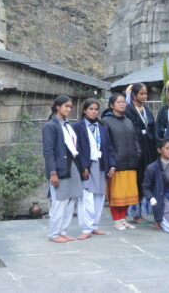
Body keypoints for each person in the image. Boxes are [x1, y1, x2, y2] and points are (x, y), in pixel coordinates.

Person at [42, 95, 84, 242]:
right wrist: (53, 173)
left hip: (71, 166)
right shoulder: (51, 126)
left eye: (70, 106)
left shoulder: (68, 125)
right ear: (58, 107)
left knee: (70, 199)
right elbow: (48, 152)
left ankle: (62, 230)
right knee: (59, 201)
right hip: (59, 169)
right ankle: (54, 233)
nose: (69, 109)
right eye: (66, 106)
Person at [72, 98, 116, 238]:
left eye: (96, 109)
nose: (93, 111)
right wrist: (83, 165)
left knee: (99, 195)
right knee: (87, 196)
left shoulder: (103, 126)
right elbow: (76, 148)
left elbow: (110, 147)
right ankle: (86, 228)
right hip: (87, 165)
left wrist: (112, 164)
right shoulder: (77, 127)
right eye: (90, 109)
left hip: (101, 164)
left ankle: (94, 225)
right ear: (84, 110)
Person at [101, 93, 141, 230]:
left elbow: (135, 138)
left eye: (124, 102)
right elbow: (106, 144)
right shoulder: (106, 121)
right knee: (116, 194)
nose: (122, 104)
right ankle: (116, 219)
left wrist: (138, 152)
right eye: (119, 102)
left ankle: (123, 218)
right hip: (116, 163)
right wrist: (112, 161)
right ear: (112, 105)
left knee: (127, 194)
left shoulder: (128, 120)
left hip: (131, 162)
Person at [124, 83, 157, 223]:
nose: (144, 96)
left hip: (148, 147)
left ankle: (144, 211)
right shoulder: (129, 110)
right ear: (134, 95)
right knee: (136, 179)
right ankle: (135, 213)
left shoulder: (147, 110)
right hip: (137, 148)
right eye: (141, 94)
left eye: (145, 94)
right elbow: (131, 128)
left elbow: (152, 127)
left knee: (146, 178)